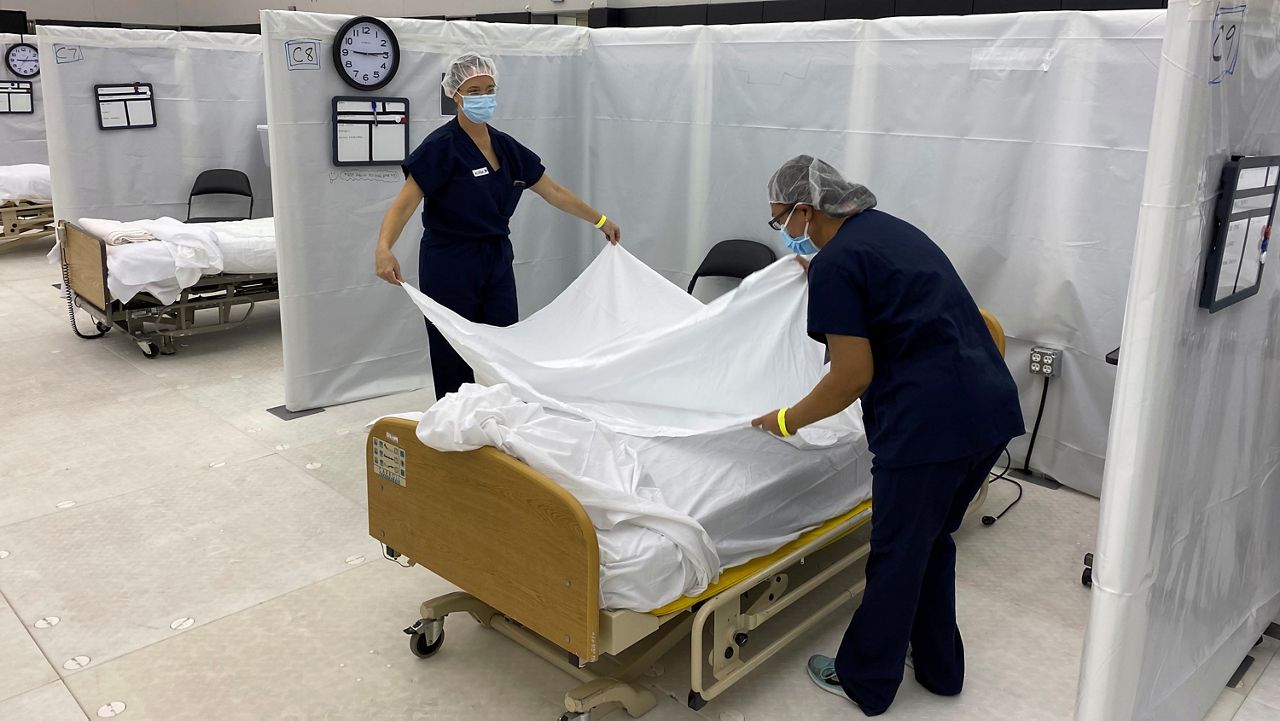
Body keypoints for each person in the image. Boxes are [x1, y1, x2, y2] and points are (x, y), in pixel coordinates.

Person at [750, 156, 1025, 716]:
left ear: (807, 208)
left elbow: (852, 376)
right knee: (930, 542)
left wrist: (787, 420)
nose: (787, 235)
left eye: (783, 222)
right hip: (986, 409)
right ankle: (940, 668)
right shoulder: (885, 231)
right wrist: (826, 274)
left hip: (928, 429)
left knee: (898, 554)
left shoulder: (838, 266)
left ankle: (865, 681)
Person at [375, 53, 621, 399]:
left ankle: (506, 416)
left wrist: (599, 219)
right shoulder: (440, 148)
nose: (483, 97)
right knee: (453, 348)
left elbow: (552, 191)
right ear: (455, 95)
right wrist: (384, 248)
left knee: (506, 343)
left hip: (495, 258)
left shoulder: (505, 147)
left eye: (489, 89)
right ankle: (456, 424)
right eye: (473, 90)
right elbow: (403, 205)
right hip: (449, 259)